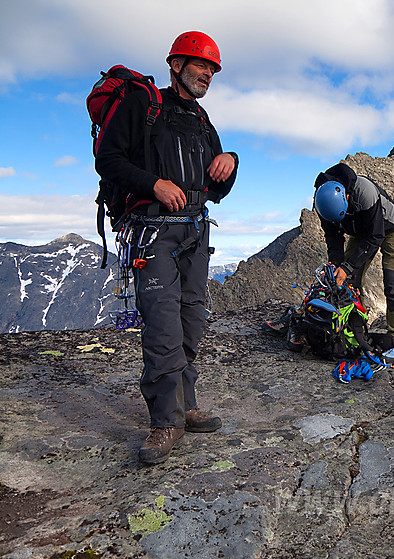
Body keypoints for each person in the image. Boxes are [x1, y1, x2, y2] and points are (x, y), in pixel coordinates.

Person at [95, 31, 238, 464]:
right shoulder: (144, 105)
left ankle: (186, 404)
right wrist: (153, 184)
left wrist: (231, 161)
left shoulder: (202, 121)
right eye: (200, 65)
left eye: (212, 68)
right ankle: (165, 422)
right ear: (176, 64)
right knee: (162, 325)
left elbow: (218, 189)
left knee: (192, 318)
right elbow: (108, 159)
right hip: (153, 231)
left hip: (196, 233)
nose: (208, 74)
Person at [313, 163, 394, 346]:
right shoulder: (322, 202)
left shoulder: (365, 192)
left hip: (392, 228)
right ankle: (357, 330)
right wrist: (337, 265)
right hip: (361, 232)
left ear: (347, 196)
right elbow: (333, 237)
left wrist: (347, 266)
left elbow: (375, 236)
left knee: (392, 280)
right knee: (349, 281)